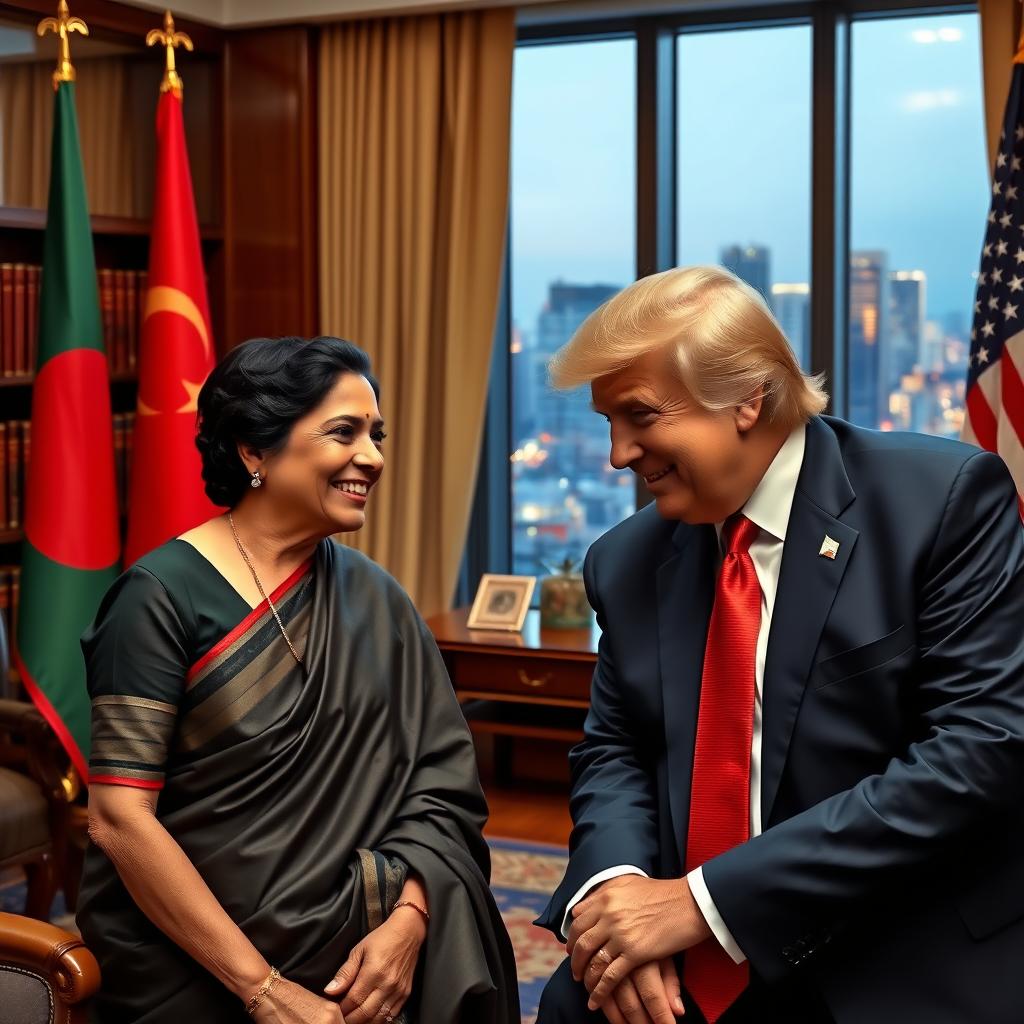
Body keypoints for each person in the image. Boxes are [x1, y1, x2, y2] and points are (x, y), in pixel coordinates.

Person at [534, 266, 1024, 1024]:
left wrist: (705, 903)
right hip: (687, 950)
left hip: (895, 934)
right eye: (607, 424)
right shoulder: (625, 560)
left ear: (747, 399)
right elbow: (617, 747)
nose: (618, 455)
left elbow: (979, 751)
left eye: (638, 416)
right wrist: (614, 887)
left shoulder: (941, 503)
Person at [77, 336, 519, 1023]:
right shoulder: (160, 596)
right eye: (344, 432)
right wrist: (264, 990)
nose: (371, 457)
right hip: (193, 962)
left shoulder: (379, 600)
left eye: (376, 434)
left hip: (364, 949)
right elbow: (118, 819)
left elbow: (444, 788)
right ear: (254, 450)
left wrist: (407, 922)